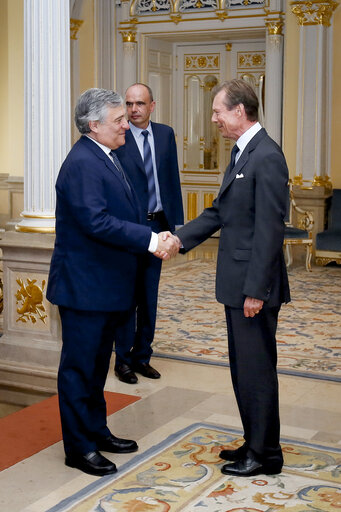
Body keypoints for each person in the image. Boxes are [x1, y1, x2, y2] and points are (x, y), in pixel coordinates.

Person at [46, 88, 178, 477]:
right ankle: (79, 447)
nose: (127, 124)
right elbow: (96, 221)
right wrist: (151, 239)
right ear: (94, 125)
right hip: (85, 288)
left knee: (97, 366)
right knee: (79, 369)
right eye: (119, 120)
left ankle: (97, 431)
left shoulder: (107, 154)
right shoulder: (83, 162)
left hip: (104, 286)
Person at [174, 79, 291, 477]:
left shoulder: (266, 156)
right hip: (238, 284)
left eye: (218, 111)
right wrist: (178, 238)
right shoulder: (244, 153)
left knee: (256, 369)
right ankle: (254, 440)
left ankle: (265, 454)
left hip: (251, 288)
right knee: (244, 368)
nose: (214, 120)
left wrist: (256, 290)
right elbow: (220, 212)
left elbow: (270, 231)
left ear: (240, 111)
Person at [113, 83, 184, 384]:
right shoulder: (118, 136)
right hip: (130, 228)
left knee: (149, 294)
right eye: (129, 104)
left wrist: (175, 227)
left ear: (152, 105)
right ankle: (122, 360)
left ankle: (143, 356)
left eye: (140, 103)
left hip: (158, 224)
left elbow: (171, 179)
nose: (133, 110)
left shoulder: (166, 134)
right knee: (128, 295)